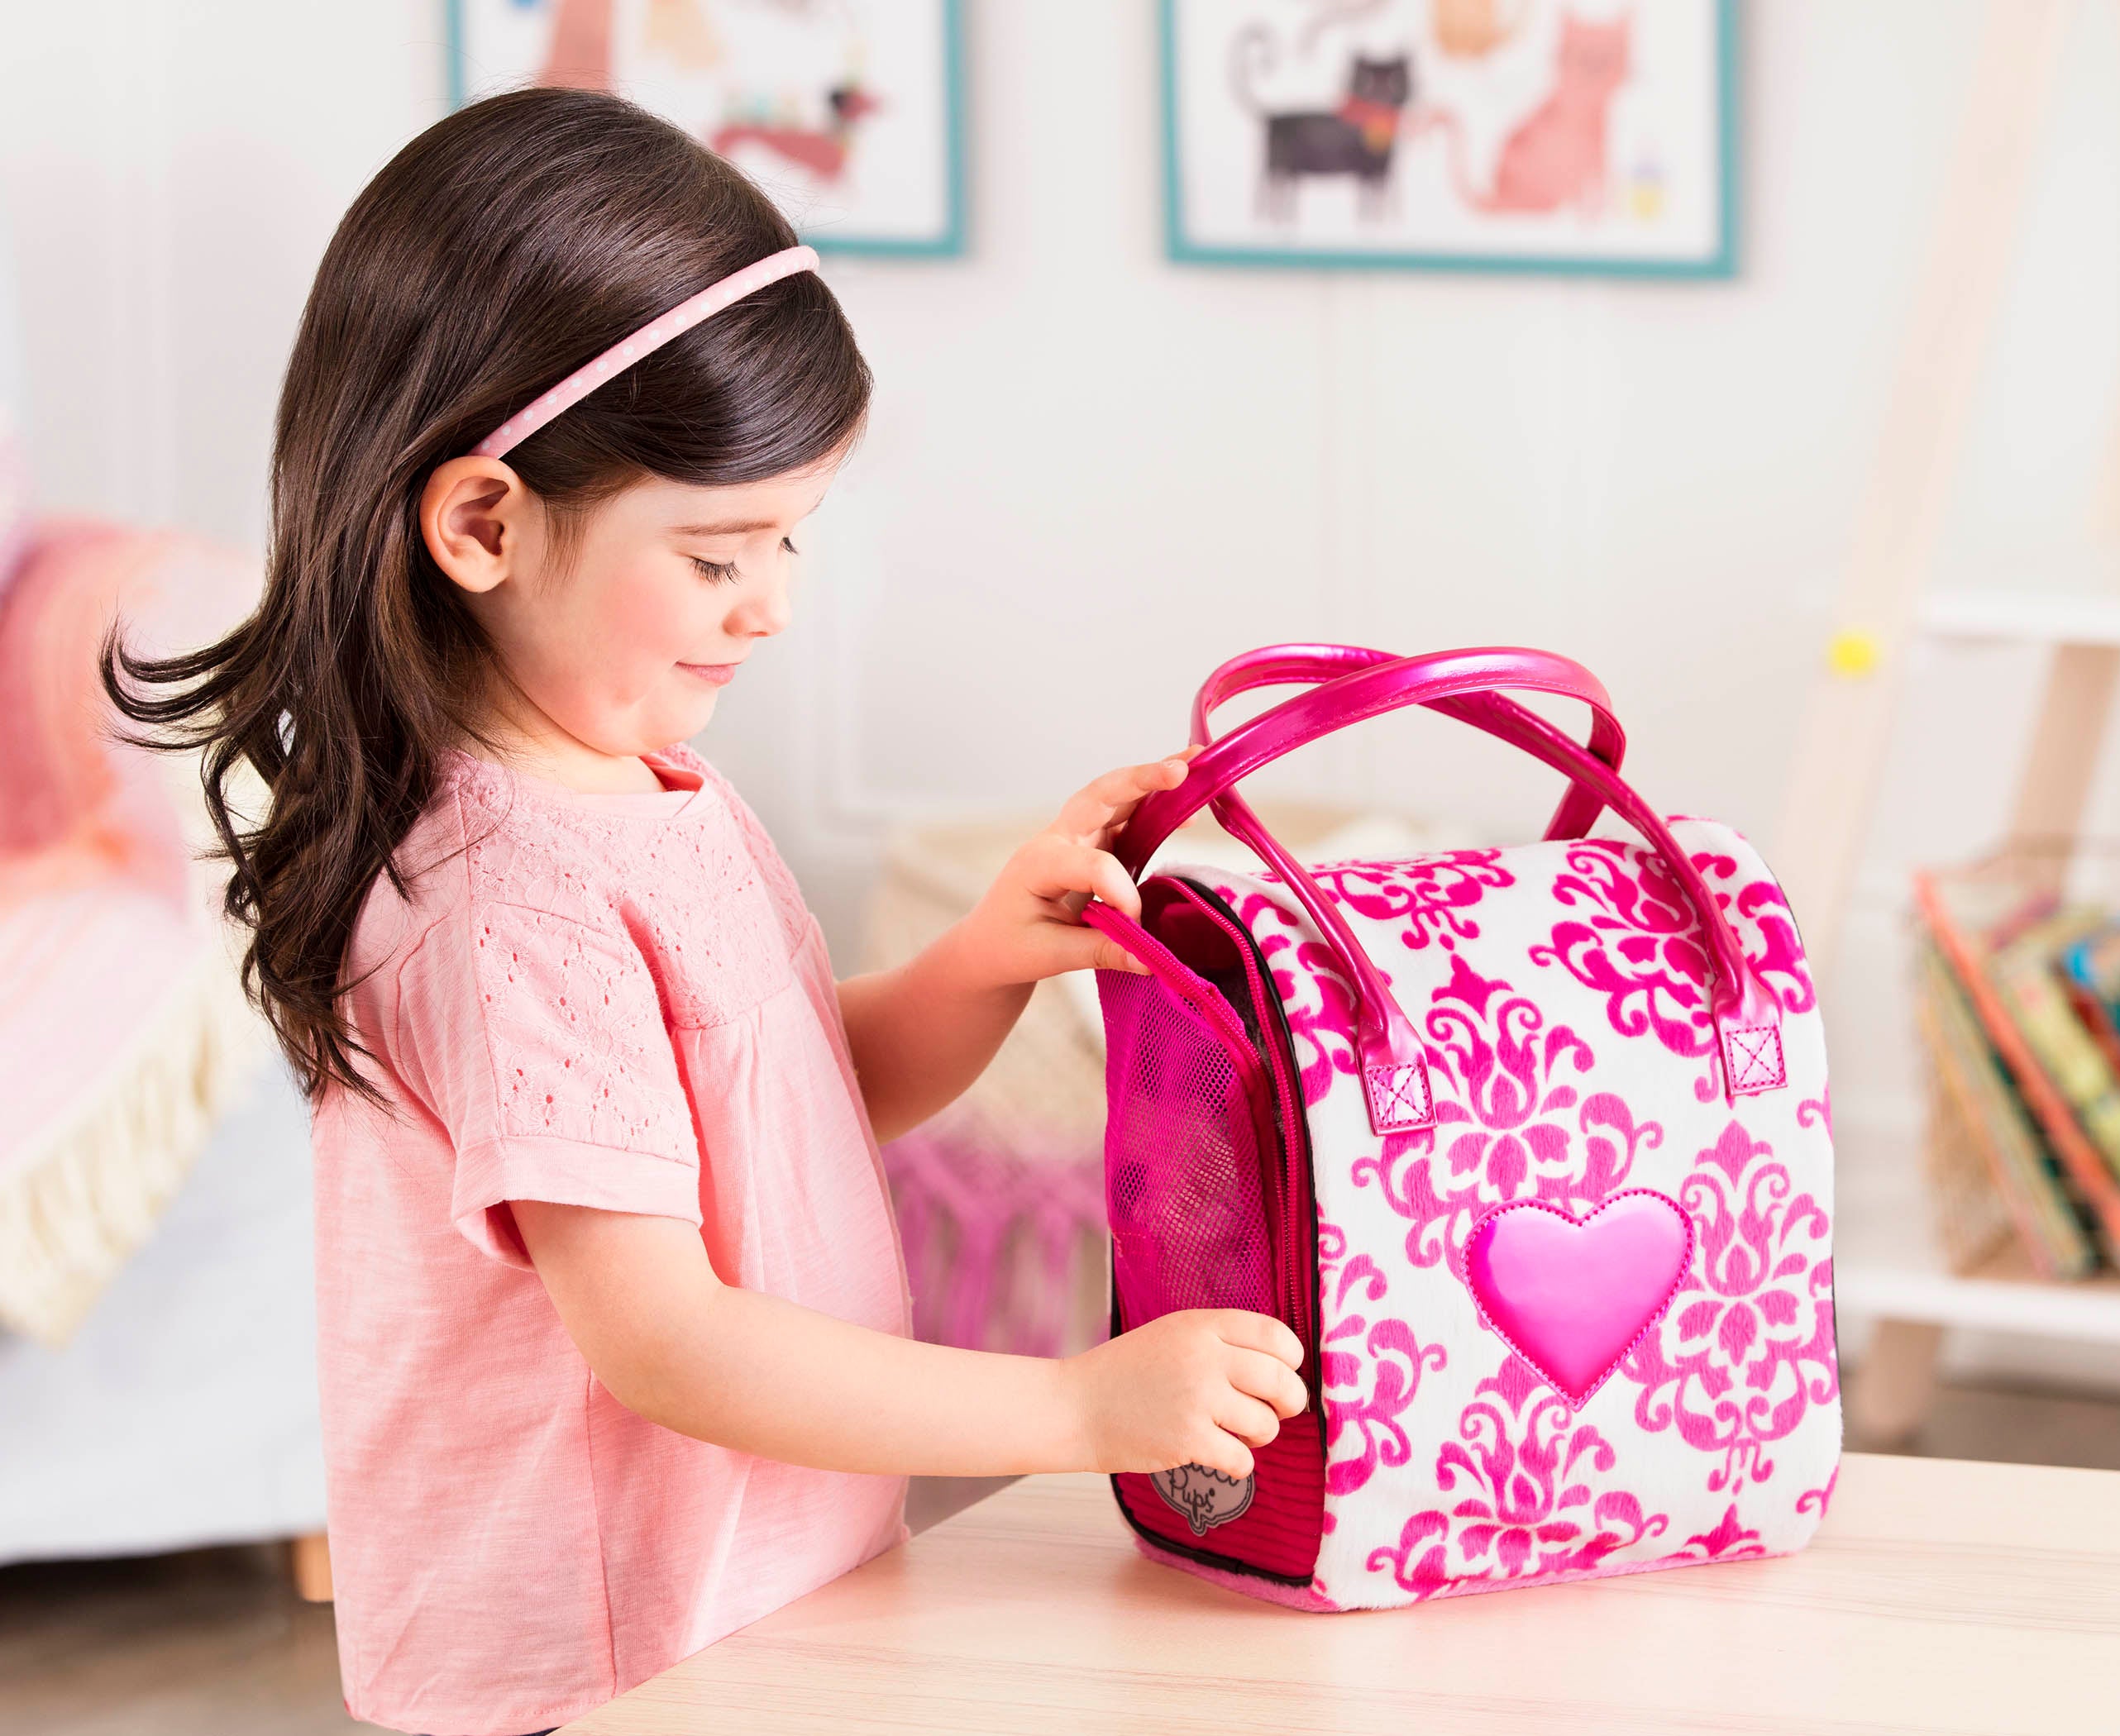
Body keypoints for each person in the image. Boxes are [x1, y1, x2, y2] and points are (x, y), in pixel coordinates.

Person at [106, 88, 1305, 1736]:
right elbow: (664, 1340)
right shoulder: (508, 903)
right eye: (721, 552)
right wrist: (1071, 1410)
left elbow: (776, 1107)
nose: (775, 602)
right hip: (605, 1664)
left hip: (755, 1613)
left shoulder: (646, 784)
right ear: (482, 525)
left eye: (791, 537)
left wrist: (983, 963)